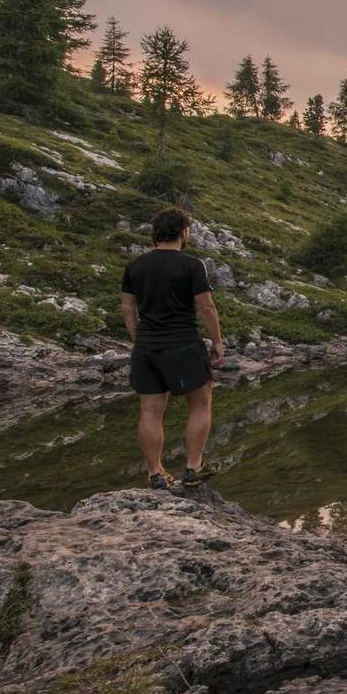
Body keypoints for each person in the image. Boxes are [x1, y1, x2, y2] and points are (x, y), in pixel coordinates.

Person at [119, 207, 225, 489]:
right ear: (183, 232)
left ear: (155, 233)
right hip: (183, 345)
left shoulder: (135, 266)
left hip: (147, 347)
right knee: (201, 405)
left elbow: (128, 307)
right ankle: (193, 467)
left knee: (150, 412)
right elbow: (206, 306)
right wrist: (216, 340)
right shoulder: (192, 265)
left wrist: (137, 338)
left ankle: (155, 473)